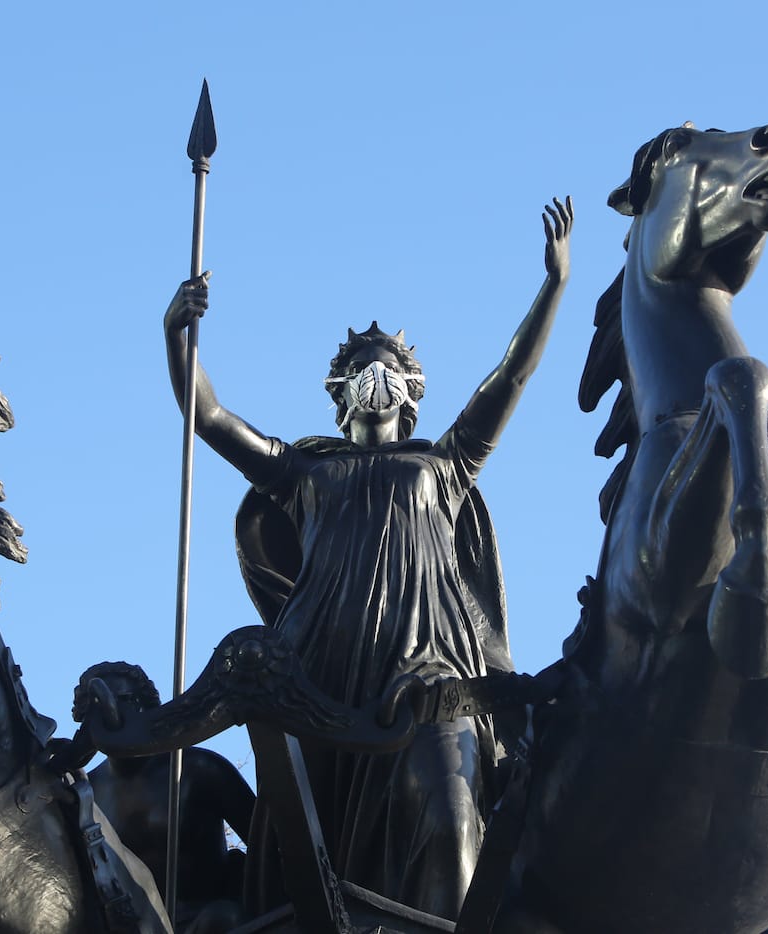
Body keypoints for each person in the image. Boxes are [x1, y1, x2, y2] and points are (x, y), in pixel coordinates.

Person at [163, 198, 572, 919]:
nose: (374, 374)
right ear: (340, 394)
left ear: (410, 392)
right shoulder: (302, 472)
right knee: (302, 850)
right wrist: (177, 335)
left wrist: (554, 285)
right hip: (319, 674)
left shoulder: (444, 465)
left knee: (450, 812)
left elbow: (509, 377)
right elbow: (210, 417)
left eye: (388, 369)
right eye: (360, 367)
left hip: (426, 674)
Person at [72, 662, 255, 934]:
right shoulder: (88, 794)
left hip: (207, 920)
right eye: (96, 706)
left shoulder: (200, 770)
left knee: (223, 919)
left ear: (147, 707)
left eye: (125, 699)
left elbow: (268, 844)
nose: (112, 710)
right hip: (133, 929)